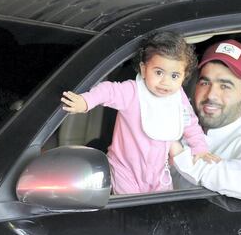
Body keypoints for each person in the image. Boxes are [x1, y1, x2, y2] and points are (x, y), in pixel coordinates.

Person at [61, 31, 217, 195]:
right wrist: (86, 101)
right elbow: (108, 91)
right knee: (130, 210)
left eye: (174, 75)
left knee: (159, 209)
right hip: (124, 170)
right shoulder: (133, 92)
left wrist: (200, 148)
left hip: (159, 173)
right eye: (158, 72)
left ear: (184, 76)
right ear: (143, 69)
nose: (165, 82)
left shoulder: (178, 98)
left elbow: (190, 123)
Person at [170, 39, 241, 203]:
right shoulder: (183, 124)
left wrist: (180, 155)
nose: (211, 95)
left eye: (225, 86)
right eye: (205, 82)